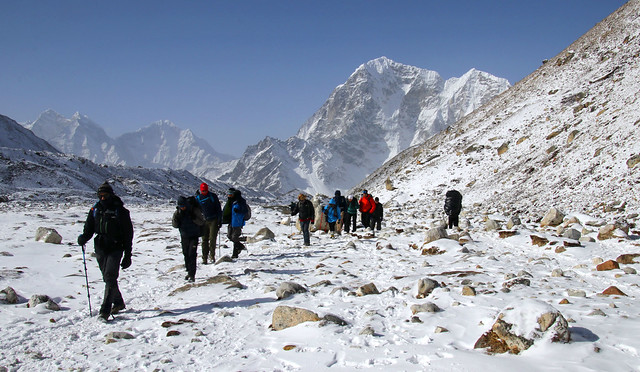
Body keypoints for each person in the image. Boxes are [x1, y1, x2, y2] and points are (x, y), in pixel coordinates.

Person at [77, 181, 134, 321]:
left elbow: (128, 234)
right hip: (100, 246)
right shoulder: (95, 209)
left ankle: (105, 311)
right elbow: (89, 226)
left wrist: (128, 254)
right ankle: (119, 302)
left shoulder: (120, 211)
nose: (103, 198)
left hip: (116, 246)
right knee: (107, 277)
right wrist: (84, 237)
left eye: (105, 195)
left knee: (110, 276)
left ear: (111, 194)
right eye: (100, 195)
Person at [172, 196, 205, 282]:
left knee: (192, 254)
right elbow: (174, 225)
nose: (182, 208)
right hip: (184, 236)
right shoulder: (178, 212)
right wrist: (177, 220)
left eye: (183, 206)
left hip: (194, 235)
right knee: (186, 253)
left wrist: (193, 218)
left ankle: (192, 274)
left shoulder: (193, 210)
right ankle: (188, 270)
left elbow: (201, 222)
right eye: (180, 206)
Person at [195, 182, 221, 264]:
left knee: (212, 239)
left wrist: (220, 220)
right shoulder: (198, 198)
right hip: (204, 221)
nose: (204, 192)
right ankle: (204, 258)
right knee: (204, 240)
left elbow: (218, 208)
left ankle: (212, 256)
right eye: (203, 191)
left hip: (213, 220)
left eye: (205, 191)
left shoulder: (213, 196)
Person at [228, 189, 249, 258]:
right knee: (230, 236)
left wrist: (238, 210)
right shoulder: (233, 201)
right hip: (232, 221)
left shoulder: (241, 202)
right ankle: (240, 246)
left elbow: (245, 211)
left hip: (238, 222)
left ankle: (235, 254)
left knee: (235, 237)